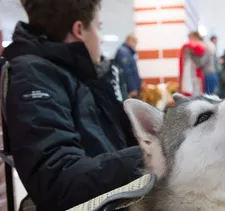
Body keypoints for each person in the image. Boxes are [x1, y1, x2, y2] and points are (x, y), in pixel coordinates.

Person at [1, 0, 144, 210]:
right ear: (79, 30)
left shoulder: (82, 75)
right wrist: (153, 156)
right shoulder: (32, 76)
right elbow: (57, 180)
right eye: (98, 27)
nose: (101, 39)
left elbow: (125, 133)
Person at [115, 34, 142, 99]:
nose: (135, 46)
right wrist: (132, 88)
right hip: (128, 89)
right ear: (130, 41)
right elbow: (127, 71)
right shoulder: (123, 52)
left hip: (129, 88)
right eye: (135, 43)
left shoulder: (128, 53)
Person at [178, 31, 206, 96]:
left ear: (195, 37)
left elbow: (201, 61)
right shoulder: (189, 46)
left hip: (196, 74)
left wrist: (191, 47)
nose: (190, 40)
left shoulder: (200, 46)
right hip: (190, 74)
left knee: (196, 94)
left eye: (191, 37)